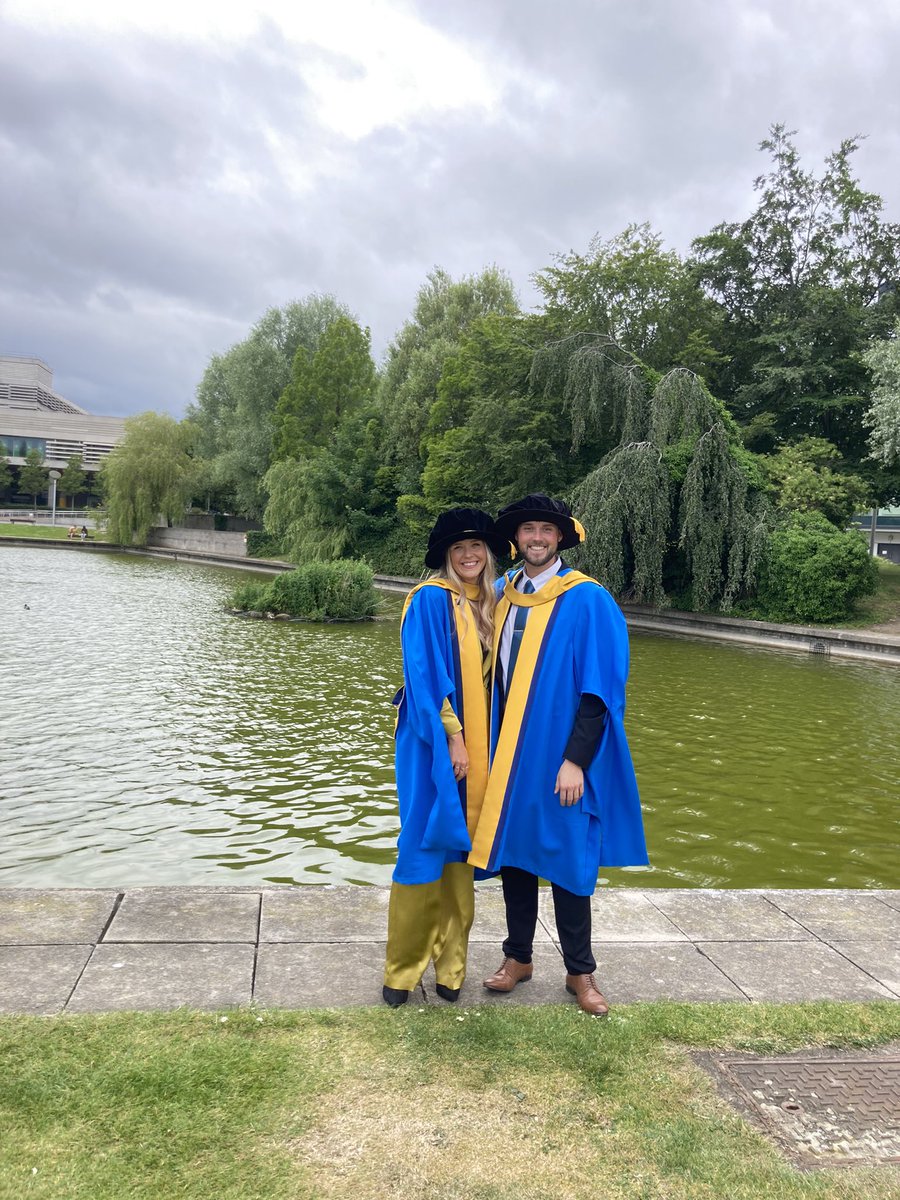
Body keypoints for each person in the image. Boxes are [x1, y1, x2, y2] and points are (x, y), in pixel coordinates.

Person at [468, 494, 647, 1016]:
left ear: (562, 537)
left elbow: (601, 691)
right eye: (528, 530)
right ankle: (517, 958)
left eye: (546, 529)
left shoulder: (587, 599)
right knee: (517, 857)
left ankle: (580, 972)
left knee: (569, 860)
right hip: (509, 754)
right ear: (517, 539)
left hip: (561, 755)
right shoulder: (499, 593)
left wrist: (576, 760)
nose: (537, 538)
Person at [383, 508, 511, 1007]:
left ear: (488, 553)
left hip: (479, 743)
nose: (468, 555)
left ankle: (451, 969)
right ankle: (402, 969)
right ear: (445, 556)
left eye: (476, 546)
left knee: (461, 844)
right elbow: (424, 674)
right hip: (431, 738)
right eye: (458, 548)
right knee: (424, 835)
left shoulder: (495, 603)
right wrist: (453, 736)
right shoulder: (430, 601)